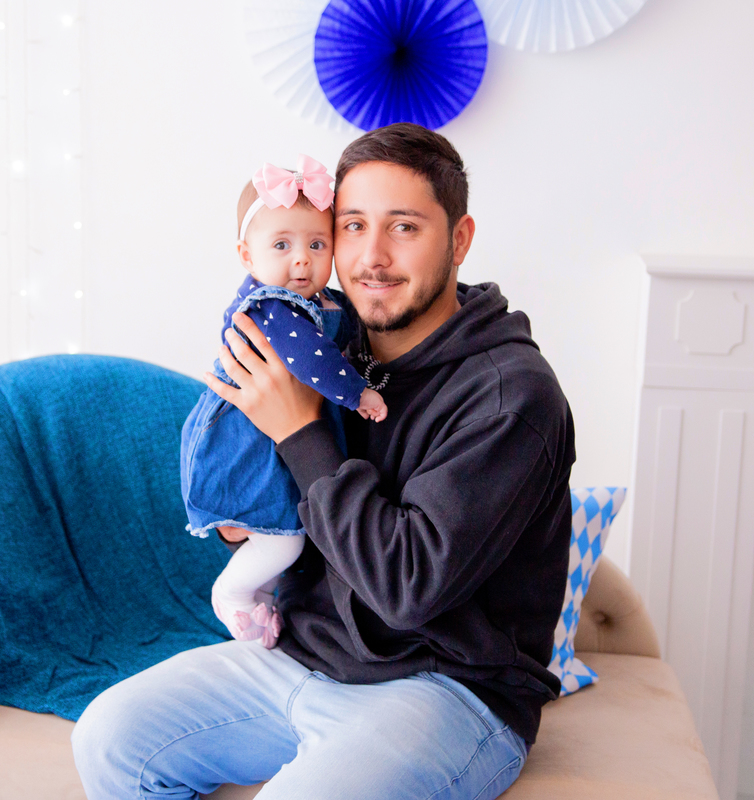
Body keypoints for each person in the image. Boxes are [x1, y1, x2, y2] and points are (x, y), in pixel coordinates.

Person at [72, 123, 576, 800]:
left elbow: (408, 586)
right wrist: (248, 512)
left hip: (447, 690)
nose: (372, 256)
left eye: (404, 227)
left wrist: (300, 434)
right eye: (353, 225)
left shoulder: (512, 396)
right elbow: (293, 501)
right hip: (307, 659)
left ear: (458, 239)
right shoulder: (330, 342)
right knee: (108, 737)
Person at [180, 154, 387, 648]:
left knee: (292, 531)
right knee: (284, 536)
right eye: (282, 245)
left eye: (317, 244)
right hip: (246, 443)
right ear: (247, 256)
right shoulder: (274, 307)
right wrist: (358, 392)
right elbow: (311, 360)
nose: (302, 259)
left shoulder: (323, 301)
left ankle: (263, 602)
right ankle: (234, 594)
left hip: (278, 438)